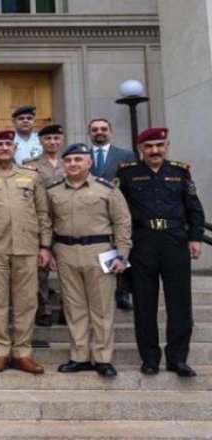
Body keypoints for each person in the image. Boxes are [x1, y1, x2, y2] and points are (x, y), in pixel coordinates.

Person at [116, 127, 205, 377]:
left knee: (180, 303)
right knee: (144, 303)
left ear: (167, 146)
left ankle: (177, 358)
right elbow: (118, 211)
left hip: (174, 241)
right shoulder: (127, 173)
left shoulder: (179, 172)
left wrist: (195, 237)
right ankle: (150, 358)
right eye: (149, 146)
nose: (155, 150)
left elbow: (194, 208)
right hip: (142, 243)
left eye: (160, 145)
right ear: (140, 148)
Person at [0, 130, 52, 374]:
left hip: (27, 248)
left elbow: (43, 213)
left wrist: (45, 246)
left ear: (15, 149)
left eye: (8, 144)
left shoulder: (31, 176)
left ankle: (22, 352)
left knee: (26, 302)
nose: (4, 148)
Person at [47, 143, 132, 378]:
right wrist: (49, 250)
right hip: (65, 251)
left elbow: (122, 223)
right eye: (69, 160)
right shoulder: (54, 192)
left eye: (78, 159)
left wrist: (122, 254)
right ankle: (80, 356)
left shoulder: (107, 189)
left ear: (89, 163)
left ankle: (103, 358)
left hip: (99, 251)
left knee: (102, 308)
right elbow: (48, 223)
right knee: (74, 308)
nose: (73, 164)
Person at [87, 118, 137, 311]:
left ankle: (122, 291)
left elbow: (131, 184)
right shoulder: (82, 155)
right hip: (91, 213)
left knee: (121, 248)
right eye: (95, 129)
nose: (99, 132)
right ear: (89, 133)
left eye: (103, 129)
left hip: (117, 210)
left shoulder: (125, 155)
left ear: (111, 132)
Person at [23, 124, 66, 329]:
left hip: (66, 221)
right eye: (48, 139)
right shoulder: (30, 165)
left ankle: (67, 310)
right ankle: (44, 309)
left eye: (56, 139)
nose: (52, 142)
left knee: (67, 269)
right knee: (40, 269)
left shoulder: (71, 162)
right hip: (41, 220)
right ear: (40, 141)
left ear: (62, 140)